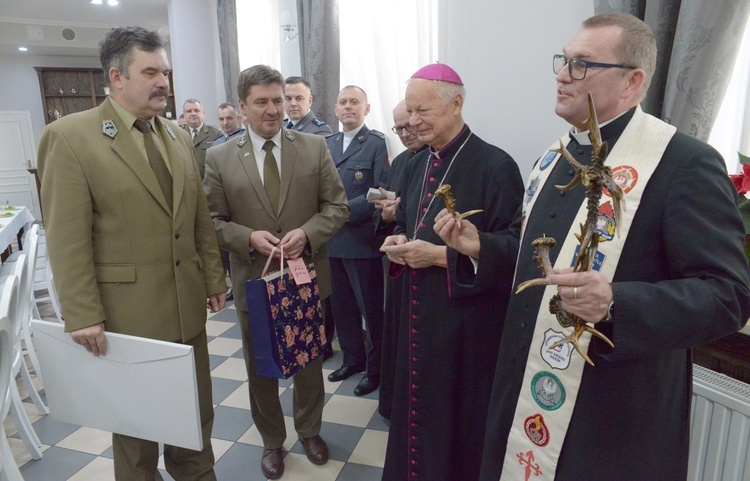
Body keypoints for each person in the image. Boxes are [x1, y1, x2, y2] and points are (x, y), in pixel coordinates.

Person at [454, 14, 750, 481]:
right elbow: (536, 257)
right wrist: (480, 248)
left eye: (580, 65)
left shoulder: (685, 164)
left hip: (610, 411)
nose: (561, 74)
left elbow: (728, 295)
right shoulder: (554, 157)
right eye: (563, 61)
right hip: (525, 384)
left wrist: (615, 302)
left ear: (632, 81)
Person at [37, 26, 226, 480]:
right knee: (138, 438)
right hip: (128, 317)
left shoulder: (178, 136)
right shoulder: (70, 137)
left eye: (166, 72)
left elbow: (197, 216)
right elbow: (67, 237)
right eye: (151, 72)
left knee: (194, 423)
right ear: (116, 77)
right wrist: (82, 313)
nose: (164, 82)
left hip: (186, 309)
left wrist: (214, 278)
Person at [203, 64, 348, 480]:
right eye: (261, 102)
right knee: (260, 366)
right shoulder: (219, 157)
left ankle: (310, 430)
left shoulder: (313, 147)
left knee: (308, 363)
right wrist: (248, 237)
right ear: (243, 108)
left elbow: (337, 207)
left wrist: (307, 232)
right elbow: (211, 221)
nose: (272, 109)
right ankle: (271, 441)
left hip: (305, 278)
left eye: (278, 100)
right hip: (254, 281)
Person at [379, 63, 524, 481]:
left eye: (422, 111)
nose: (413, 121)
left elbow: (515, 253)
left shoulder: (496, 166)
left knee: (454, 433)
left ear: (456, 103)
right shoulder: (414, 163)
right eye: (410, 111)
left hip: (464, 332)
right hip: (414, 319)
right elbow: (408, 220)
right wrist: (399, 240)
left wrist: (442, 257)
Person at [325, 85, 389, 397]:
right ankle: (353, 359)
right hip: (332, 242)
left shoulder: (376, 144)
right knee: (342, 307)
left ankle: (375, 369)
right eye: (343, 102)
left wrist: (337, 213)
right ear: (335, 109)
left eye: (354, 102)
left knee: (371, 310)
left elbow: (379, 192)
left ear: (366, 108)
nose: (348, 107)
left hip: (362, 242)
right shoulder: (328, 144)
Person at [372, 99, 426, 419]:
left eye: (409, 125)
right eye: (399, 128)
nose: (405, 133)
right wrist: (389, 214)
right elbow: (391, 212)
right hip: (398, 260)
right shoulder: (402, 160)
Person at [284, 75, 336, 360]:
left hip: (311, 226)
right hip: (285, 225)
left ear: (310, 101)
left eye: (298, 98)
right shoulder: (280, 130)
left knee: (318, 291)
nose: (292, 104)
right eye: (287, 98)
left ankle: (323, 342)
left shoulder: (320, 133)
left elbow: (325, 189)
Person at [182, 98, 221, 178]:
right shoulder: (178, 134)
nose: (193, 114)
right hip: (187, 183)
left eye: (196, 110)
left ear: (203, 113)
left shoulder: (216, 134)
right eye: (189, 111)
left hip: (209, 182)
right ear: (184, 115)